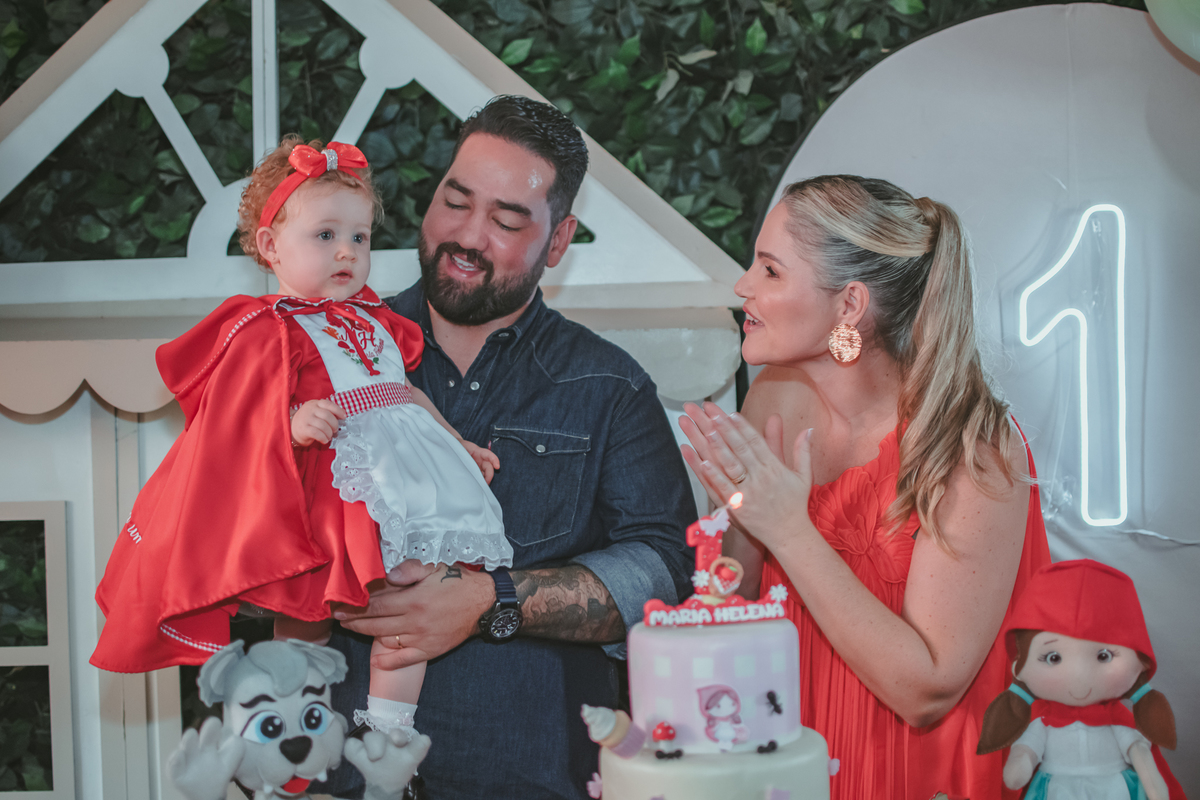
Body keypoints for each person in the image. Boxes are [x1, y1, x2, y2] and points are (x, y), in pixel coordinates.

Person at [313, 96, 696, 799]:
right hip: (332, 773)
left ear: (558, 240)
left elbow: (665, 573)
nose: (466, 235)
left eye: (506, 220)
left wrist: (494, 599)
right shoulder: (323, 352)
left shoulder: (609, 386)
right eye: (454, 202)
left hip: (530, 777)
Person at [91, 136, 512, 741]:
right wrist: (290, 425)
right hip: (332, 491)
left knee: (420, 600)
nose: (347, 250)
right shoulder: (269, 331)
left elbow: (409, 396)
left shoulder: (381, 321)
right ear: (271, 248)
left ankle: (391, 731)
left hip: (408, 486)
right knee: (306, 606)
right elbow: (235, 420)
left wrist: (457, 444)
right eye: (325, 235)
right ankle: (296, 725)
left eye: (360, 237)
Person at [679, 175, 1052, 800]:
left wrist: (789, 530)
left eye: (770, 271)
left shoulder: (972, 446)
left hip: (917, 772)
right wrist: (740, 521)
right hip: (793, 757)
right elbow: (738, 608)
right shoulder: (774, 397)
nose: (743, 286)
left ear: (850, 306)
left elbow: (928, 691)